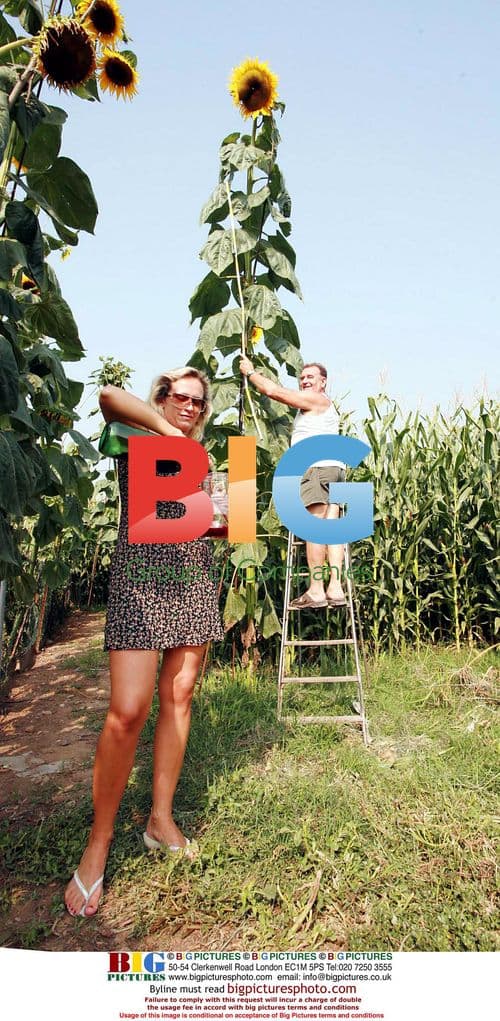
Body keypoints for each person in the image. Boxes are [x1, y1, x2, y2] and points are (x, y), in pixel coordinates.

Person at [64, 367, 224, 918]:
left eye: (198, 404)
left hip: (193, 578)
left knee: (178, 699)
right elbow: (107, 396)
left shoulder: (205, 463)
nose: (190, 407)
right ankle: (98, 843)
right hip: (140, 579)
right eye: (181, 397)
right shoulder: (137, 440)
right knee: (127, 710)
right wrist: (168, 433)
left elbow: (216, 524)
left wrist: (224, 512)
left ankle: (160, 819)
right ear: (162, 398)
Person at [239, 357, 346, 608]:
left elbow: (272, 391)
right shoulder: (319, 407)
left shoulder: (317, 400)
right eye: (302, 378)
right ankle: (336, 588)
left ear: (323, 382)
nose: (305, 380)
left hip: (318, 468)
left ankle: (317, 590)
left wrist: (251, 372)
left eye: (311, 377)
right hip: (334, 468)